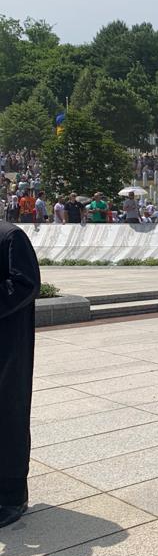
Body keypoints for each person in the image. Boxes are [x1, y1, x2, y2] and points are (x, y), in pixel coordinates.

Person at [0, 219, 41, 527]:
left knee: (8, 416)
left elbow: (26, 284)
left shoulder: (11, 236)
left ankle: (13, 497)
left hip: (7, 346)